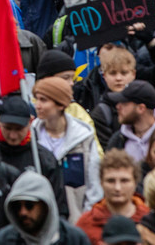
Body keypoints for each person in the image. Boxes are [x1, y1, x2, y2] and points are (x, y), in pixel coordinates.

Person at [31, 76, 102, 221]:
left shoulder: (83, 137)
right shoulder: (32, 136)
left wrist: (86, 220)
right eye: (37, 99)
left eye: (44, 100)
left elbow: (94, 185)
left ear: (61, 104)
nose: (37, 105)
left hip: (77, 221)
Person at [0, 170, 89, 245]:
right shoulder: (4, 240)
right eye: (17, 206)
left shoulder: (74, 239)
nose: (23, 212)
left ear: (45, 205)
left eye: (29, 205)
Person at [75, 150, 149, 244]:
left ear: (135, 183)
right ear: (101, 183)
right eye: (110, 181)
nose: (117, 188)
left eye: (124, 181)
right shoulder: (85, 224)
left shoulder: (150, 221)